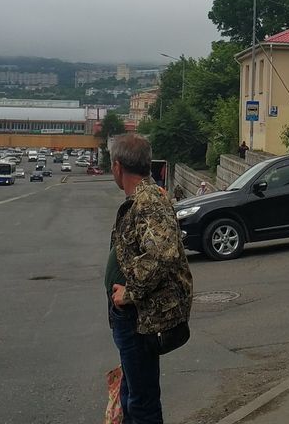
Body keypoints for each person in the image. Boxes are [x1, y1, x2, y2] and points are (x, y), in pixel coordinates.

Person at [106, 134, 192, 423]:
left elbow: (162, 254)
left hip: (138, 317)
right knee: (133, 396)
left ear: (118, 167)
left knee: (142, 404)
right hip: (133, 317)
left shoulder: (148, 200)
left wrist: (129, 293)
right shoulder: (144, 197)